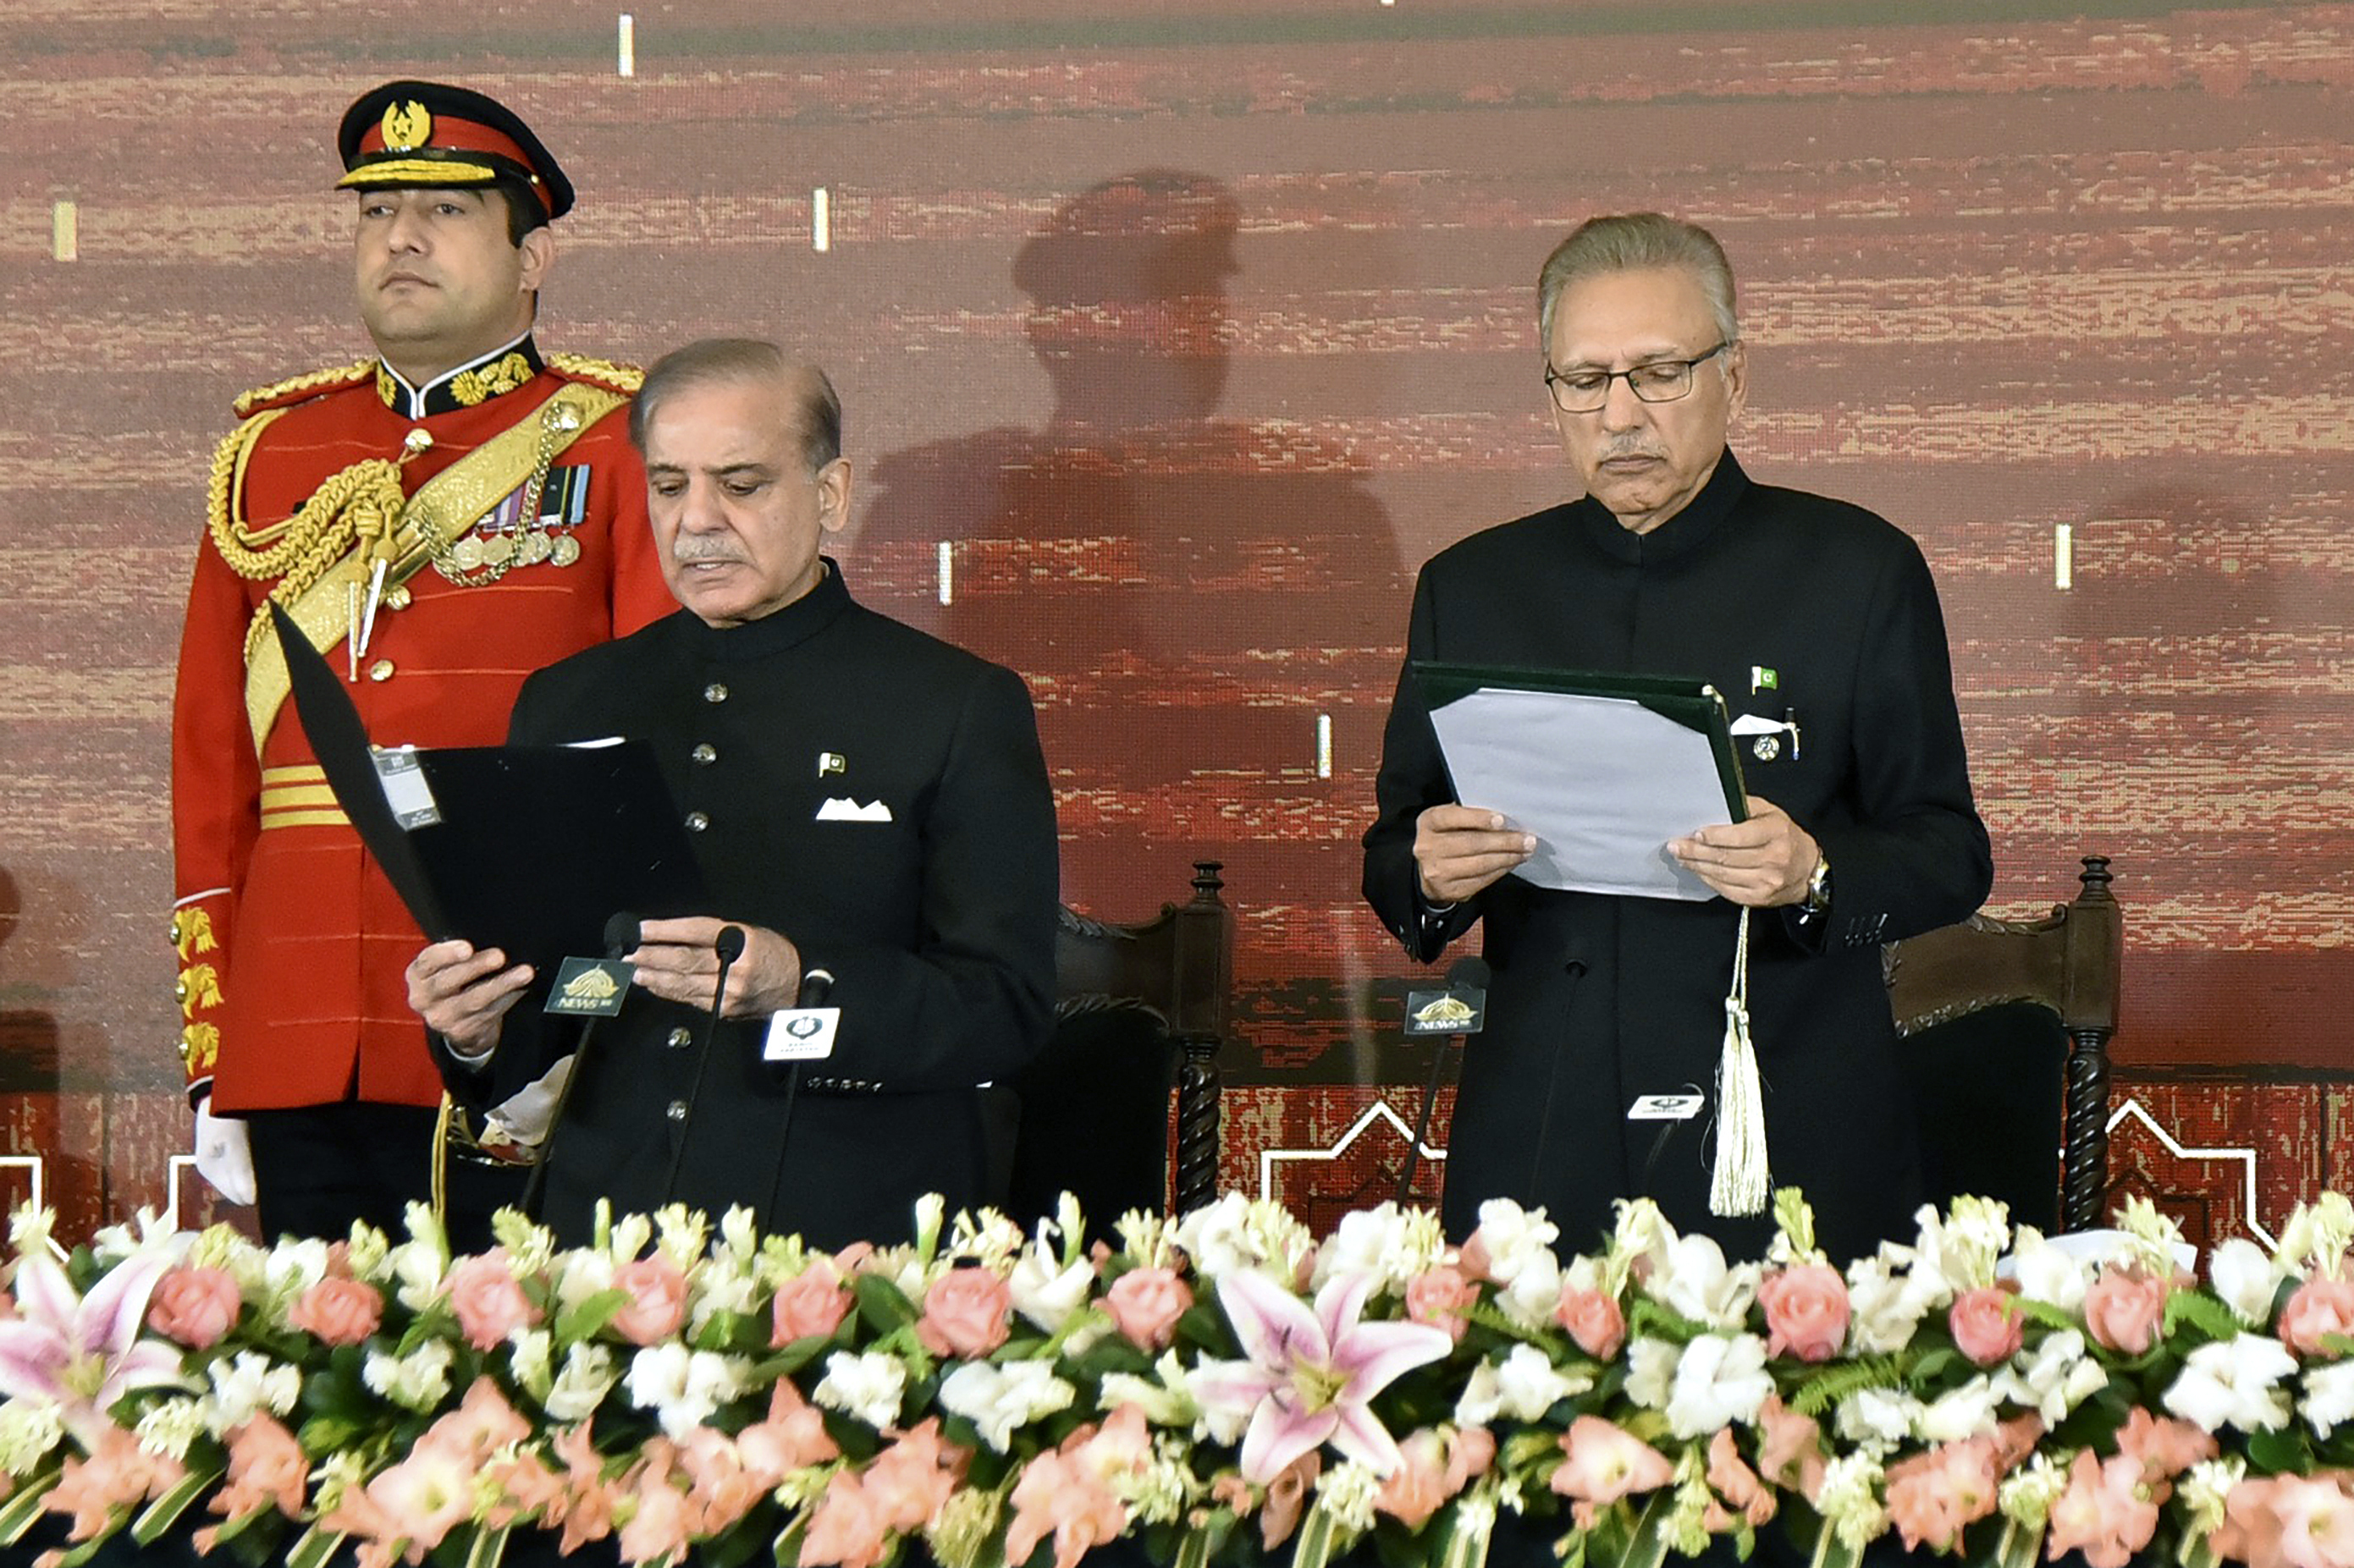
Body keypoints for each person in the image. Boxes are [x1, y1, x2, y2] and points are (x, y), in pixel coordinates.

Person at [1361, 212, 1992, 1265]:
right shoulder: (1472, 588)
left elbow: (1950, 851)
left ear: (1735, 378)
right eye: (1585, 379)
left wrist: (1816, 870)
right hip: (1542, 1123)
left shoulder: (1856, 570)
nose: (1619, 414)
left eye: (1658, 373)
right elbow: (1395, 854)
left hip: (1780, 1117)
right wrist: (1430, 870)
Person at [405, 341, 1060, 1248]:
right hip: (599, 1242)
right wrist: (478, 1027)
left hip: (852, 1243)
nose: (697, 520)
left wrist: (802, 983)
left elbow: (1004, 1009)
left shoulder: (951, 704)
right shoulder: (571, 699)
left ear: (829, 494)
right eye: (670, 485)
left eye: (741, 483)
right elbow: (581, 994)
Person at [170, 80, 676, 1243]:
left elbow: (645, 768)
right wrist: (219, 1047)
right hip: (293, 1016)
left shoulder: (617, 438)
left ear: (530, 254)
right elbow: (212, 770)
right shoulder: (265, 455)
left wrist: (590, 1016)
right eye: (376, 210)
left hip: (510, 1008)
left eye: (445, 209)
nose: (400, 236)